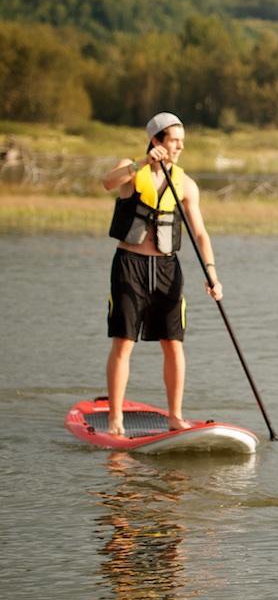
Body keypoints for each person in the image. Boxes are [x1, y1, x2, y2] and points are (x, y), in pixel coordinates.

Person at [100, 112, 222, 436]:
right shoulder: (132, 169)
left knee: (173, 343)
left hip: (168, 269)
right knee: (124, 342)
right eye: (174, 140)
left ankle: (175, 416)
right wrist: (142, 162)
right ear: (157, 141)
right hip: (130, 265)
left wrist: (212, 274)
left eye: (183, 141)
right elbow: (107, 182)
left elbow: (200, 235)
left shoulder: (186, 183)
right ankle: (115, 419)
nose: (180, 147)